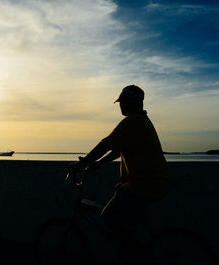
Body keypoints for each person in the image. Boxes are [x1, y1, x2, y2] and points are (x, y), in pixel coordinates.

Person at [68, 84, 169, 263]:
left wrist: (82, 164)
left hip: (141, 185)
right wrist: (99, 164)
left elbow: (105, 145)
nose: (120, 106)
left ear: (129, 102)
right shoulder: (142, 122)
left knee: (109, 218)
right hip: (153, 183)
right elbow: (118, 150)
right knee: (127, 225)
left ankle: (139, 257)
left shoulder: (132, 122)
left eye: (122, 102)